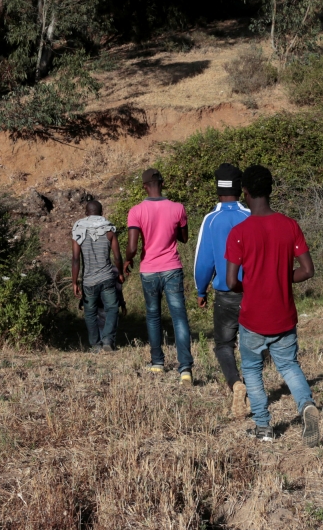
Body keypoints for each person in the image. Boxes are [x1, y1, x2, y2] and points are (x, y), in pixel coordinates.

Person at [224, 165, 320, 446]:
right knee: (289, 366)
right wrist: (280, 277)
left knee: (252, 370)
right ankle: (305, 405)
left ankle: (264, 428)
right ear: (270, 190)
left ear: (246, 192)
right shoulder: (289, 225)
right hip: (284, 316)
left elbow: (231, 282)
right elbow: (308, 270)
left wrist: (254, 283)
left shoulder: (239, 232)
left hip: (253, 317)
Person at [124, 168, 193, 385]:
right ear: (162, 183)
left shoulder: (136, 211)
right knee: (179, 317)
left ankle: (157, 363)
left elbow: (133, 247)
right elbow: (184, 238)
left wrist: (127, 260)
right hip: (172, 267)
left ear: (144, 186)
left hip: (149, 270)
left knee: (153, 316)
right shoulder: (178, 208)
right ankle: (185, 369)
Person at [194, 163, 250, 417]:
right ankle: (253, 388)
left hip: (225, 294)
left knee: (224, 345)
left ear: (217, 189)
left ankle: (235, 383)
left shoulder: (211, 219)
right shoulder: (250, 216)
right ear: (241, 187)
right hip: (251, 292)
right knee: (251, 343)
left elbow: (203, 260)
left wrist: (201, 289)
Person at [71, 199, 123, 352]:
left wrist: (75, 282)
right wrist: (120, 273)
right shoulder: (109, 230)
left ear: (86, 214)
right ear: (101, 213)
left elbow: (75, 259)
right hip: (107, 277)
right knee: (112, 308)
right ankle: (108, 340)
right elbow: (117, 257)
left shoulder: (78, 231)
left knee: (90, 313)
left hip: (89, 281)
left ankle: (95, 344)